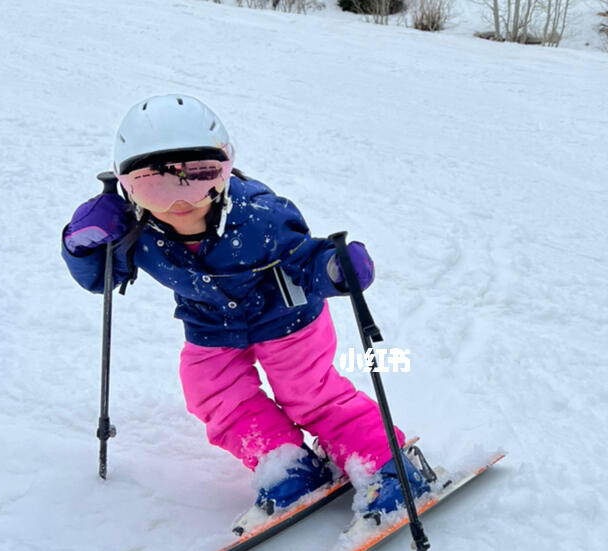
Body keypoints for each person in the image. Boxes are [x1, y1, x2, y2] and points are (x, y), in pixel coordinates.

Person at [61, 94, 429, 523]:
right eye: (153, 185)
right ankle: (285, 462)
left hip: (287, 320)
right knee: (213, 395)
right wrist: (82, 244)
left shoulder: (261, 216)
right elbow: (103, 278)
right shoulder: (136, 230)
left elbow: (302, 258)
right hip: (211, 326)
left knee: (310, 396)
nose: (180, 201)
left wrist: (333, 267)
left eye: (198, 177)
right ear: (127, 187)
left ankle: (385, 463)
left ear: (225, 170)